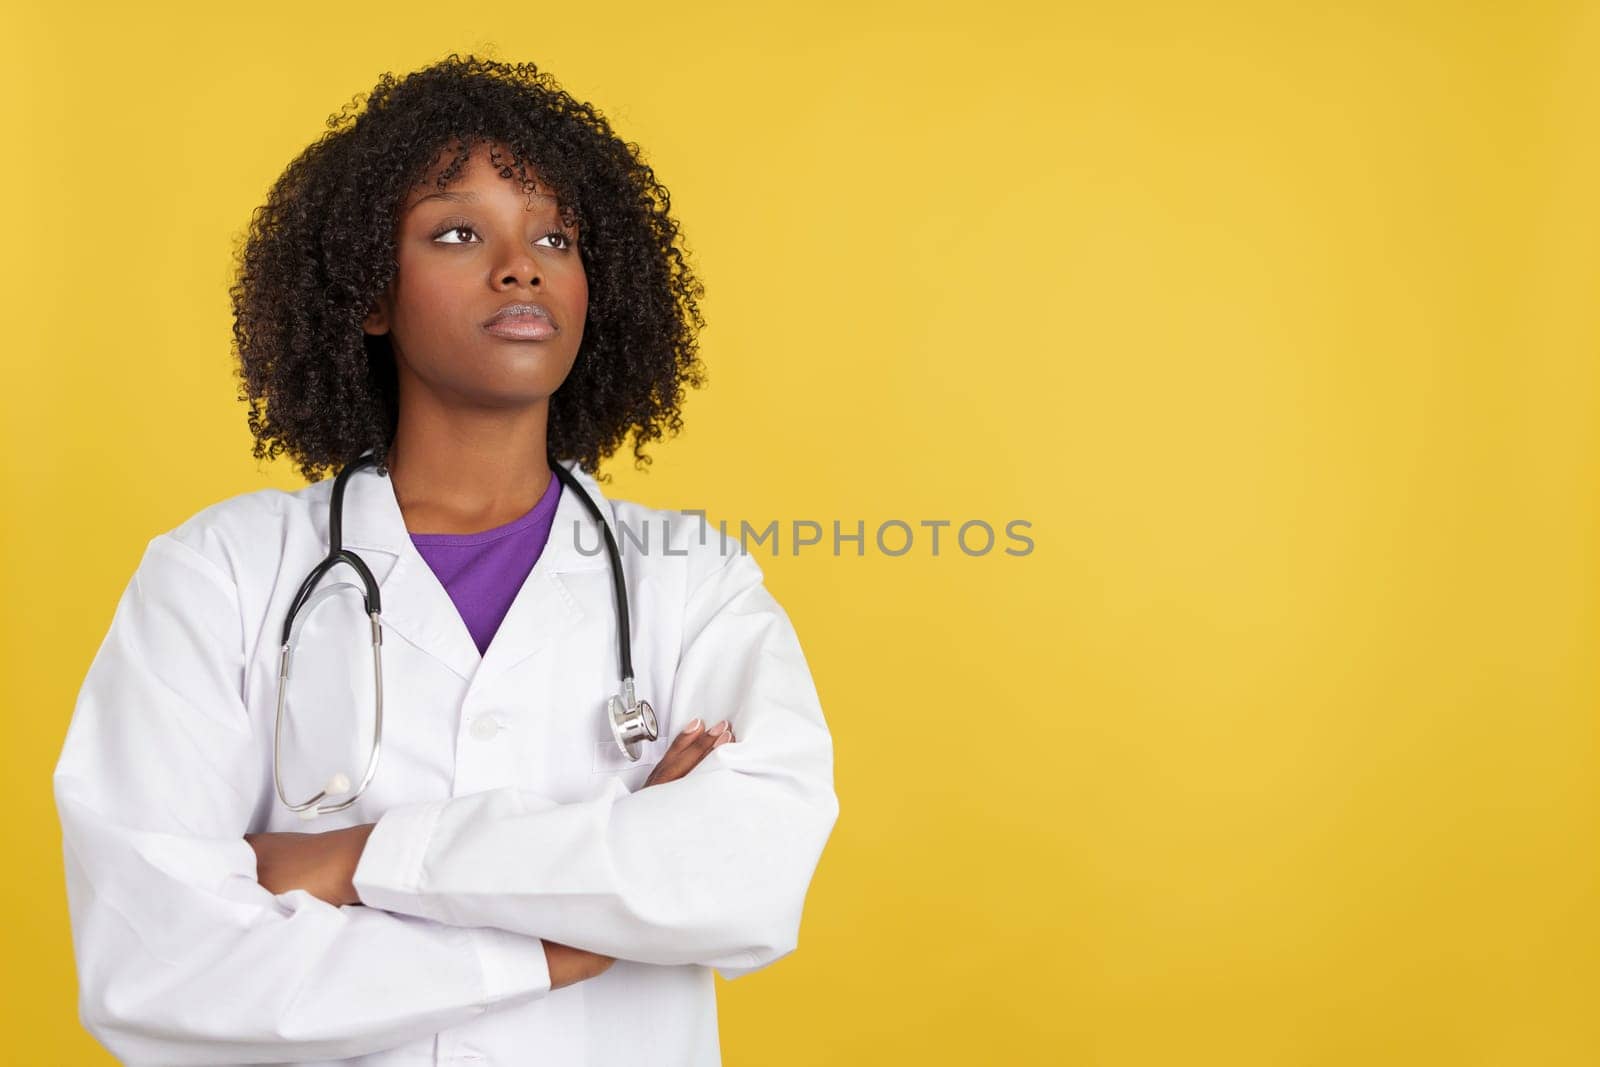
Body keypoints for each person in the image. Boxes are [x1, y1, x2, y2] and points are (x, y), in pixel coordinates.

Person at [52, 54, 839, 1066]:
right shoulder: (222, 572)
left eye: (553, 235)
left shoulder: (688, 578)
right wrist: (558, 935)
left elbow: (742, 877)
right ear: (370, 294)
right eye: (458, 232)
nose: (522, 266)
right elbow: (153, 963)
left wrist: (351, 858)